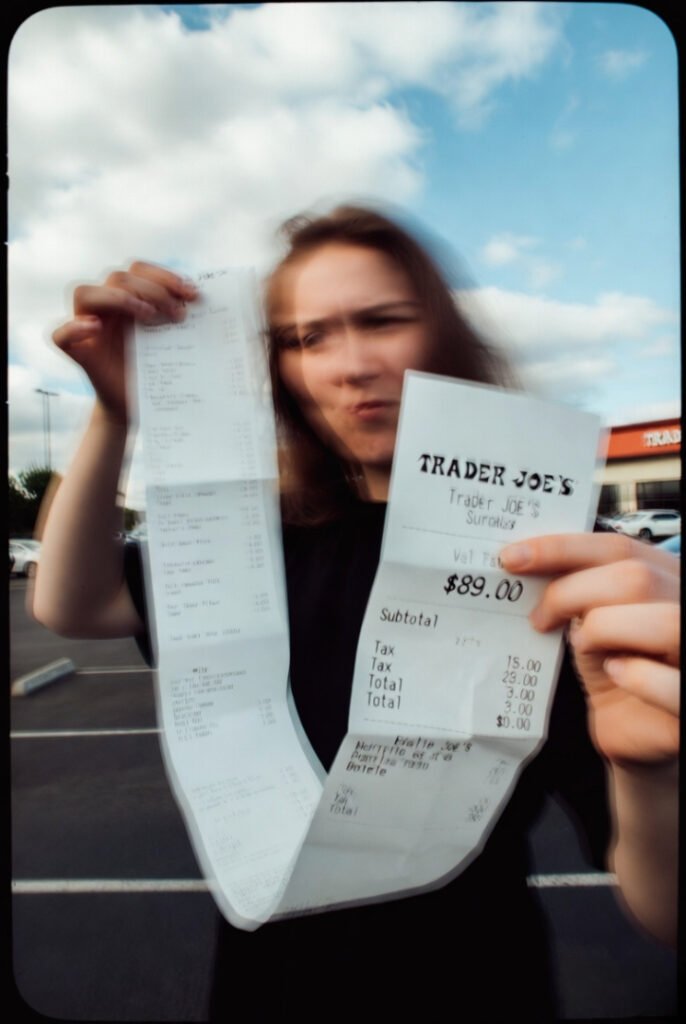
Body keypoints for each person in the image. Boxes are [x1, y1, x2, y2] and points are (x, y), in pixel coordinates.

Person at [32, 205, 678, 1019]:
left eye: (381, 321)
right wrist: (118, 412)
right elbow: (73, 602)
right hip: (263, 984)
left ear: (443, 334)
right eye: (309, 339)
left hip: (474, 983)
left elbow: (665, 913)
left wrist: (654, 772)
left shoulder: (557, 560)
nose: (350, 365)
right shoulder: (262, 539)